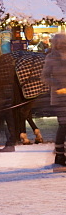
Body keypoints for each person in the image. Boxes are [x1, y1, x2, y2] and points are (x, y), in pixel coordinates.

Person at [42, 32, 66, 169]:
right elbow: (44, 76)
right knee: (63, 125)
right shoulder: (51, 58)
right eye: (61, 43)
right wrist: (57, 84)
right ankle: (59, 155)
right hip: (59, 97)